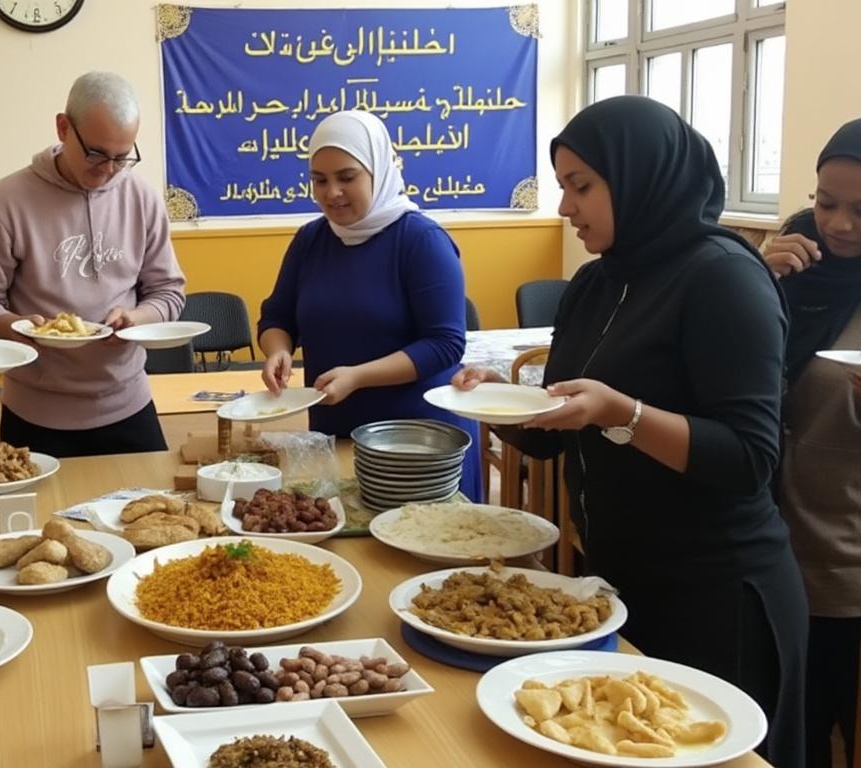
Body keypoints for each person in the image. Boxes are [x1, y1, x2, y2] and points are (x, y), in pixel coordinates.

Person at [453, 96, 806, 766]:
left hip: (718, 594)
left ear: (644, 175)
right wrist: (491, 402)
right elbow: (558, 432)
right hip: (621, 585)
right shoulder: (595, 284)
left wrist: (627, 413)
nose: (565, 208)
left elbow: (749, 457)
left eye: (581, 186)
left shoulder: (724, 279)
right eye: (562, 187)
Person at [0, 71, 186, 458]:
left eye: (122, 157)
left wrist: (139, 318)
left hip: (127, 401)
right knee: (37, 519)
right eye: (96, 154)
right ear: (63, 128)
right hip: (35, 412)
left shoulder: (141, 198)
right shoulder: (3, 204)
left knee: (152, 513)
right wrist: (18, 327)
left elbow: (169, 292)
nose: (108, 169)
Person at [257, 110, 481, 500]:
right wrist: (278, 351)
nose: (331, 193)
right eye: (319, 180)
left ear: (378, 171)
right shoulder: (311, 240)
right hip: (338, 433)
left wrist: (358, 376)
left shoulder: (421, 240)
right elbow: (278, 316)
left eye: (347, 177)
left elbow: (445, 344)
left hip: (417, 444)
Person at [762, 118, 861, 768]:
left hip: (841, 565)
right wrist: (754, 280)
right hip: (763, 545)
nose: (840, 225)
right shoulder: (792, 266)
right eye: (827, 203)